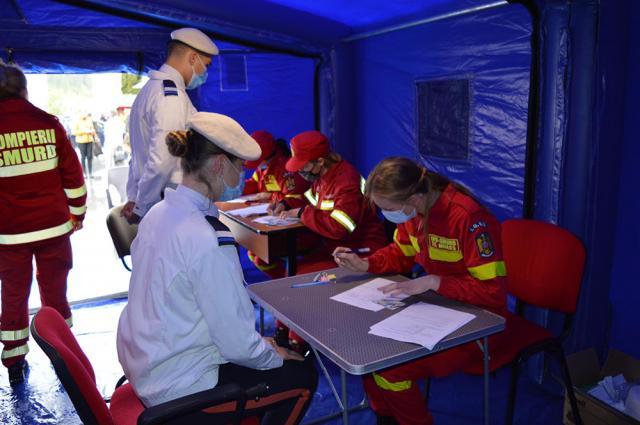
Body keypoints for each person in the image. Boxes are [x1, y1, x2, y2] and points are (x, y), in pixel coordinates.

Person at [116, 112, 317, 424]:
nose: (241, 177)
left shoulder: (158, 214)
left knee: (268, 348)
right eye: (239, 167)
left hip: (148, 363)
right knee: (301, 374)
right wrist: (272, 355)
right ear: (220, 165)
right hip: (182, 387)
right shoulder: (207, 237)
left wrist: (262, 345)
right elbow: (237, 342)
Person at [333, 157, 507, 425]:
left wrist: (435, 282)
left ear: (414, 198)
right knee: (367, 355)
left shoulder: (467, 217)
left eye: (388, 208)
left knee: (391, 371)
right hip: (437, 308)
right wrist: (365, 263)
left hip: (479, 322)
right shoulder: (413, 214)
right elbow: (400, 254)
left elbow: (493, 294)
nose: (386, 215)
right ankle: (386, 417)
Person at [0, 61, 87, 385]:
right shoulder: (50, 124)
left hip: (9, 235)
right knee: (55, 293)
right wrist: (76, 214)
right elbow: (74, 178)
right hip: (53, 228)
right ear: (24, 89)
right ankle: (61, 355)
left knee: (13, 294)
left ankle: (13, 361)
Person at [271, 130, 388, 351]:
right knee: (292, 271)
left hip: (362, 250)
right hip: (337, 249)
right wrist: (287, 204)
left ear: (320, 161)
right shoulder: (323, 177)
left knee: (305, 279)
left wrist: (302, 214)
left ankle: (298, 345)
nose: (300, 172)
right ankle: (282, 332)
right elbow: (311, 201)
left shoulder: (347, 181)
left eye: (303, 166)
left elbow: (341, 228)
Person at [122, 28, 218, 224]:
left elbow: (138, 155)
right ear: (193, 58)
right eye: (205, 65)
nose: (205, 73)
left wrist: (134, 197)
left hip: (158, 202)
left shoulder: (150, 90)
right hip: (170, 204)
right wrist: (140, 205)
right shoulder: (170, 97)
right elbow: (162, 160)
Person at [242, 130, 310, 272]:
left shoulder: (286, 169)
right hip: (274, 224)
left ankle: (283, 284)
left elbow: (294, 199)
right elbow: (253, 185)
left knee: (260, 253)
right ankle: (279, 282)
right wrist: (236, 186)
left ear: (268, 156)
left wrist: (270, 195)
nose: (257, 167)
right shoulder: (263, 168)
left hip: (297, 232)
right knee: (255, 252)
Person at [72, 113, 96, 178]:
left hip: (90, 141)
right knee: (83, 157)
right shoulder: (77, 122)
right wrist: (84, 131)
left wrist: (92, 132)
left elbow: (93, 130)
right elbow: (73, 132)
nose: (84, 115)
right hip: (81, 141)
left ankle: (90, 173)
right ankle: (84, 173)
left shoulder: (89, 121)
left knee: (90, 157)